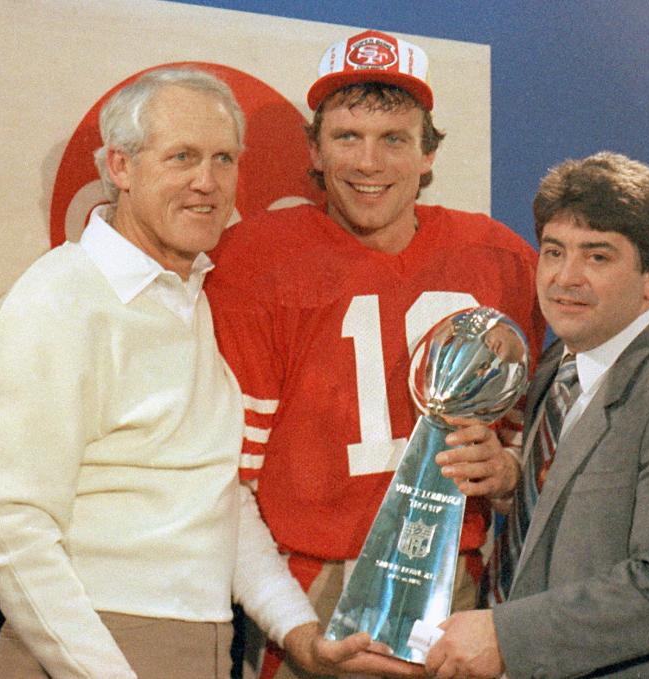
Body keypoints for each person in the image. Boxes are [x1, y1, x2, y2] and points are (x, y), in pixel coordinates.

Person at [0, 67, 418, 679]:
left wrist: (300, 632)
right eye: (181, 157)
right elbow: (12, 533)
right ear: (120, 167)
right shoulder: (56, 301)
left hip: (204, 642)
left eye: (223, 159)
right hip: (93, 644)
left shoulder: (196, 298)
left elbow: (218, 500)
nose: (206, 183)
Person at [205, 30, 544, 679]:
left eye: (393, 138)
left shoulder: (500, 260)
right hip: (310, 587)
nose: (368, 162)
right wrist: (292, 624)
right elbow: (225, 483)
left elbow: (551, 463)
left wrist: (507, 476)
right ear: (313, 148)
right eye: (347, 136)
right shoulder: (256, 259)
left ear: (428, 153)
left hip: (460, 585)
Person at [424, 151, 649, 678]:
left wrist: (504, 633)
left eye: (597, 257)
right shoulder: (555, 368)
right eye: (554, 251)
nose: (565, 277)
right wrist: (515, 483)